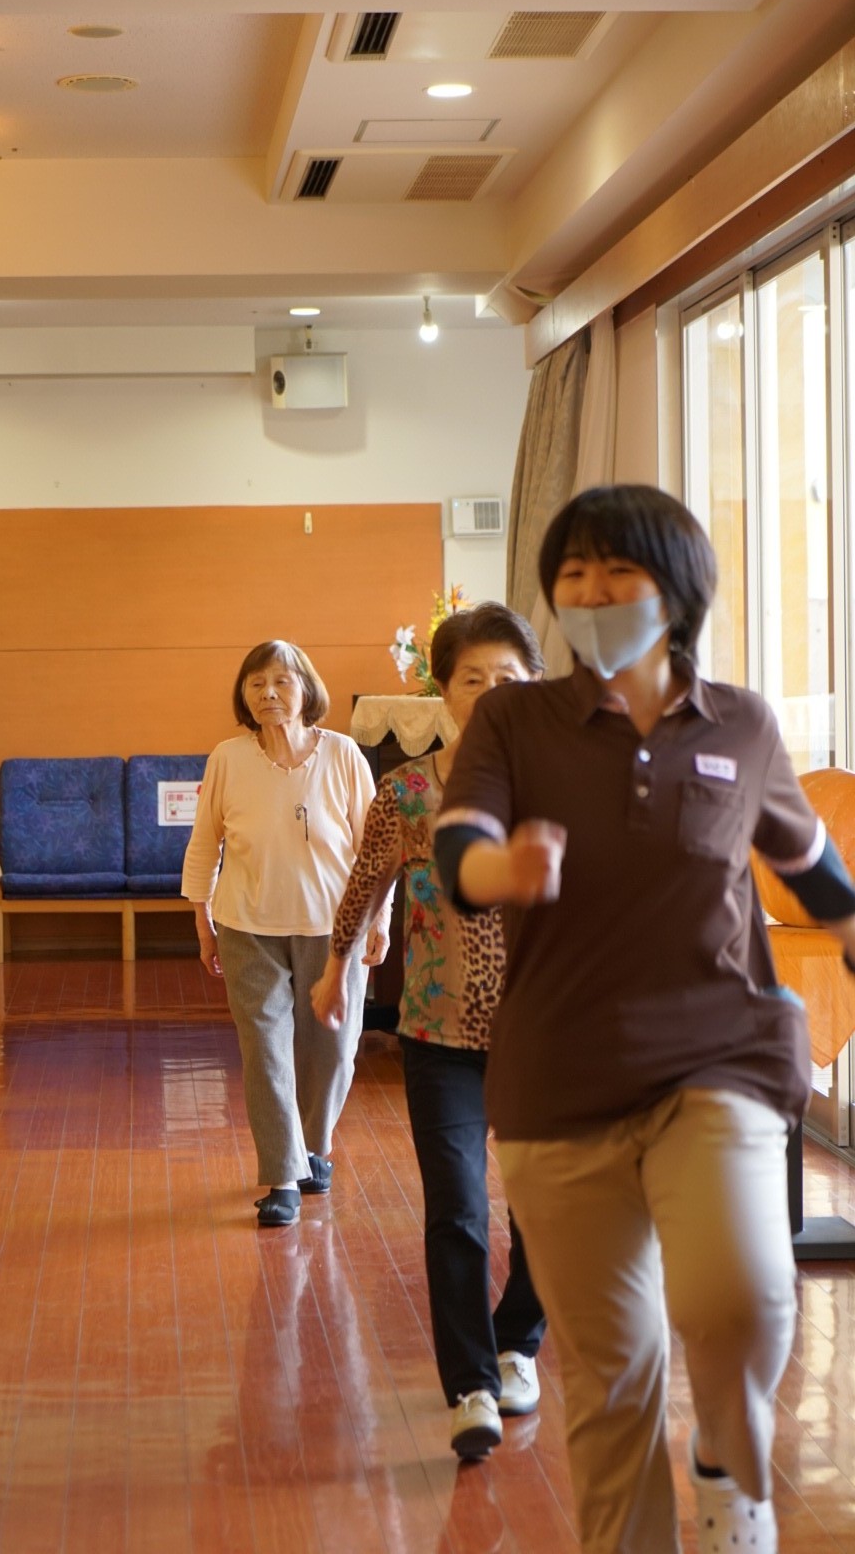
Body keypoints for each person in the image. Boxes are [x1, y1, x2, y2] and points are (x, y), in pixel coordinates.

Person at [433, 485, 855, 1554]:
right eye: (571, 574)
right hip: (560, 1078)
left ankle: (725, 1456)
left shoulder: (741, 723)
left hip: (718, 1056)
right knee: (613, 1375)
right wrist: (501, 869)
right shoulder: (515, 719)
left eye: (615, 570)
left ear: (677, 589)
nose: (589, 593)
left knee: (744, 1299)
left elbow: (808, 860)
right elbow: (459, 845)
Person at [311, 603, 548, 1461]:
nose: (489, 692)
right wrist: (338, 965)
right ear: (442, 692)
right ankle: (471, 1386)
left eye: (507, 678)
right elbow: (365, 883)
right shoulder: (408, 791)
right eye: (471, 678)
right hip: (436, 1031)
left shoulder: (561, 787)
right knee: (458, 1209)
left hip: (544, 1035)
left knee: (548, 1211)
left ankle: (517, 1345)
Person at [182, 639, 390, 1229]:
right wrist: (202, 918)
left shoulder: (343, 755)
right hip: (247, 925)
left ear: (306, 689)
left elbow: (378, 848)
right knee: (265, 1050)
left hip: (335, 930)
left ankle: (313, 1147)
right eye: (256, 683)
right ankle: (282, 1177)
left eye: (281, 681)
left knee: (333, 1049)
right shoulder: (227, 758)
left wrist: (380, 918)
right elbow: (205, 843)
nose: (268, 693)